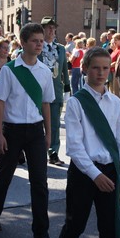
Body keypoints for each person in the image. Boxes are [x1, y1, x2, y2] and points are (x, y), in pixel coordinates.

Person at [0, 23, 56, 238]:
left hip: (35, 132)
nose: (39, 44)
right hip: (12, 131)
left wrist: (49, 133)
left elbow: (46, 104)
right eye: (35, 40)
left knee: (39, 182)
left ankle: (41, 233)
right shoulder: (10, 70)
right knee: (5, 174)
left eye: (41, 40)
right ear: (23, 43)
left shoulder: (45, 72)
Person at [52, 47, 120, 238]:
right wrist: (95, 175)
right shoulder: (76, 103)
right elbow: (74, 147)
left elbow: (118, 141)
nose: (101, 73)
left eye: (105, 68)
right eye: (95, 68)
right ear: (84, 69)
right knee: (76, 223)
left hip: (109, 169)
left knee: (109, 227)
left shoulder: (116, 103)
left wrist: (112, 169)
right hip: (84, 172)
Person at [37, 16, 70, 166]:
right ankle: (36, 152)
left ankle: (54, 152)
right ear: (42, 30)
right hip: (39, 91)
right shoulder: (37, 48)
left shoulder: (61, 49)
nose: (51, 30)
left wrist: (67, 88)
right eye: (48, 28)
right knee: (37, 122)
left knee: (55, 124)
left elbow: (64, 70)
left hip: (56, 91)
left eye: (53, 27)